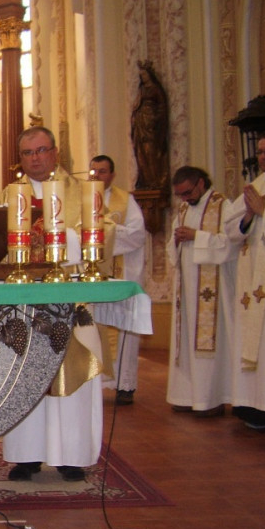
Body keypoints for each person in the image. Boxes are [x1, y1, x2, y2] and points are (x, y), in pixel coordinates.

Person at [0, 127, 108, 483]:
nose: (36, 158)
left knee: (72, 373)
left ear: (55, 153)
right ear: (20, 158)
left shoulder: (80, 192)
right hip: (24, 302)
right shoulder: (9, 195)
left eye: (42, 150)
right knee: (22, 379)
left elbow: (101, 233)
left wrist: (59, 239)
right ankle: (26, 456)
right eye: (28, 153)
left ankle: (70, 456)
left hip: (69, 298)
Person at [165, 166, 237, 417]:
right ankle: (186, 395)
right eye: (180, 195)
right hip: (186, 289)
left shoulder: (223, 206)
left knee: (210, 344)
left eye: (187, 193)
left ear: (201, 184)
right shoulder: (184, 209)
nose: (184, 199)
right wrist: (176, 240)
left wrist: (198, 236)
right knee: (185, 342)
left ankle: (211, 398)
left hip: (213, 290)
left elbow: (231, 244)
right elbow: (172, 247)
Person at [90, 155, 147, 405]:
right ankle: (96, 382)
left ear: (112, 175)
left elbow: (137, 235)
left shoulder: (126, 201)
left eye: (102, 171)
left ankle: (124, 384)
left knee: (124, 330)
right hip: (93, 278)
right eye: (93, 171)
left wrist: (106, 230)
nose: (97, 176)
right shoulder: (83, 199)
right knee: (94, 328)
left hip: (119, 275)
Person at [224, 132, 265, 430]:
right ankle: (254, 404)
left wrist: (264, 213)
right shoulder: (255, 187)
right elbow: (230, 228)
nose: (263, 156)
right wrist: (249, 216)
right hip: (252, 283)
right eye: (261, 151)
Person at [130, 60, 170, 191]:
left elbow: (162, 106)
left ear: (150, 75)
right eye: (141, 76)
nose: (143, 78)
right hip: (140, 125)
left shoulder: (155, 89)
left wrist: (155, 119)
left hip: (150, 125)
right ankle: (145, 180)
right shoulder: (141, 90)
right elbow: (136, 106)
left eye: (145, 75)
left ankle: (155, 180)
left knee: (151, 152)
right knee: (141, 153)